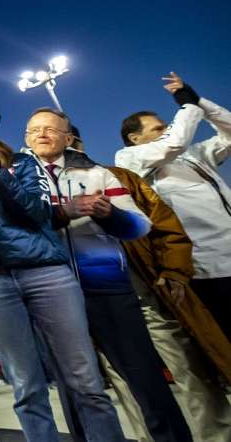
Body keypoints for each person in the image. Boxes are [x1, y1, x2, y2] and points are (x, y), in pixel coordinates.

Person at [0, 101, 126, 442]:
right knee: (25, 385)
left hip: (46, 274)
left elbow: (36, 213)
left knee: (84, 380)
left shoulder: (22, 162)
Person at [21, 108, 189, 442]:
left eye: (50, 130)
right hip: (50, 294)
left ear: (68, 138)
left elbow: (140, 226)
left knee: (145, 379)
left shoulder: (99, 174)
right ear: (26, 137)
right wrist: (56, 215)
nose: (41, 135)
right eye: (34, 130)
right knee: (75, 388)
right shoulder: (16, 178)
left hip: (107, 287)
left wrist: (110, 214)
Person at [104, 163, 231, 439]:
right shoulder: (39, 186)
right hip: (97, 301)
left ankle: (219, 436)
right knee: (127, 381)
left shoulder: (122, 177)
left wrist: (174, 271)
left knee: (188, 367)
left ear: (72, 140)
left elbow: (165, 225)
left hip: (147, 290)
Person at [116, 72, 231, 338]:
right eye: (158, 128)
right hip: (207, 266)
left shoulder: (192, 156)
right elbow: (175, 142)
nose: (167, 128)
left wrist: (200, 102)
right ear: (134, 138)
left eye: (167, 125)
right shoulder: (130, 158)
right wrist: (187, 106)